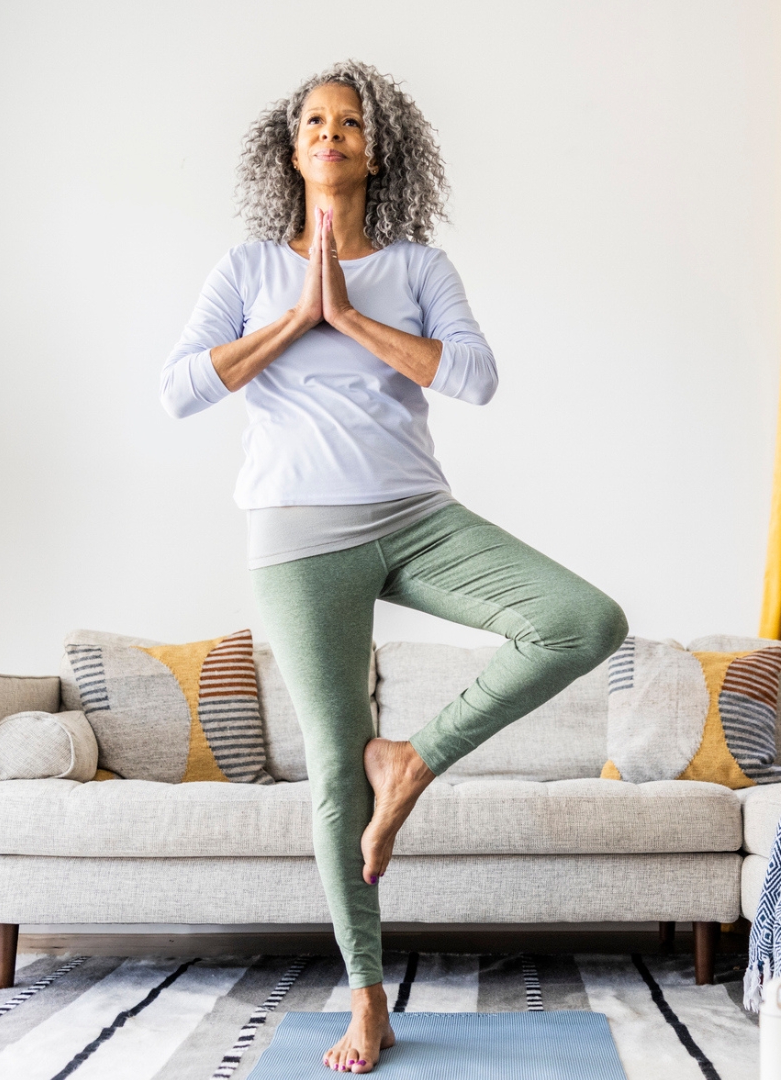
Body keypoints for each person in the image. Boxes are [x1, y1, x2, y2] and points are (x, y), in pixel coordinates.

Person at [161, 60, 627, 1073]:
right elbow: (181, 391)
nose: (331, 134)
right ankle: (366, 999)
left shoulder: (417, 268)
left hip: (416, 514)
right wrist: (296, 317)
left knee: (584, 621)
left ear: (377, 150)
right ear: (291, 150)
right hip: (296, 533)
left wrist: (354, 318)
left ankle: (411, 759)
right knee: (333, 768)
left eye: (349, 122)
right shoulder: (245, 269)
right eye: (314, 121)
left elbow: (477, 379)